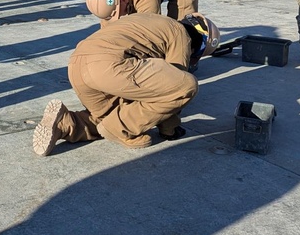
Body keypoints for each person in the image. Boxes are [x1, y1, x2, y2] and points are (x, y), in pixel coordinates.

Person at [32, 12, 220, 156]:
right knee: (186, 85)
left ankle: (65, 124)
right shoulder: (181, 34)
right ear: (199, 45)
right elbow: (173, 83)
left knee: (115, 114)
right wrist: (170, 129)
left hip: (77, 65)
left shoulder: (151, 20)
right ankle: (118, 129)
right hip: (109, 66)